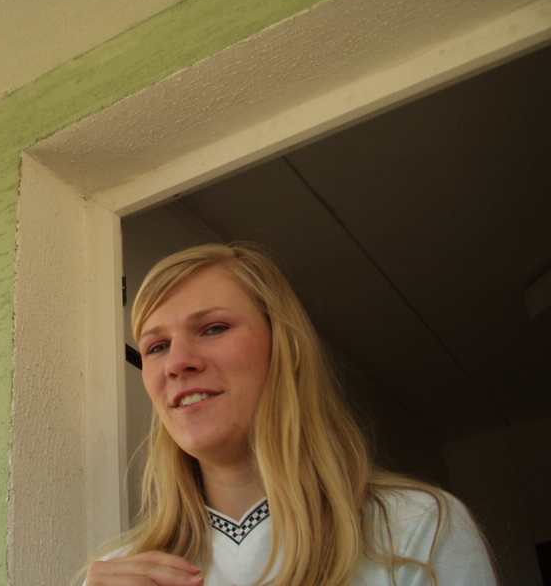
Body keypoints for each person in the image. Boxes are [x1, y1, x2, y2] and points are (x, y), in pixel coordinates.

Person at [83, 242, 497, 586]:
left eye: (213, 328)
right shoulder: (117, 573)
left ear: (285, 347)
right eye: (157, 347)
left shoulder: (417, 528)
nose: (177, 363)